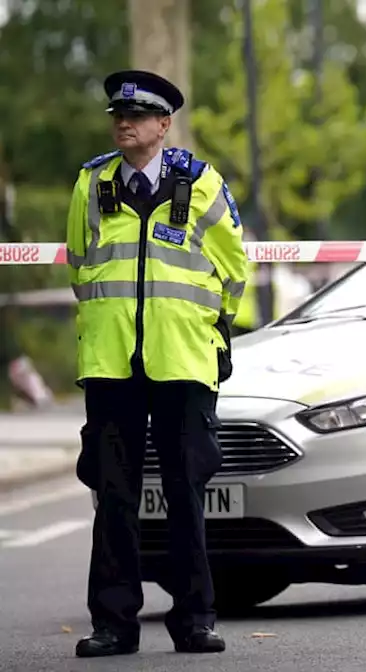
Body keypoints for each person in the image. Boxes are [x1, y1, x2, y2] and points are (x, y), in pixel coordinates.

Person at [66, 70, 249, 658]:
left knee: (185, 491)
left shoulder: (202, 185)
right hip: (111, 360)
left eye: (138, 115)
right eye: (118, 114)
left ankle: (195, 619)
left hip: (182, 359)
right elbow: (78, 263)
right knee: (113, 494)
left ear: (163, 125)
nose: (124, 122)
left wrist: (207, 326)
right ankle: (114, 624)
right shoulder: (91, 184)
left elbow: (233, 269)